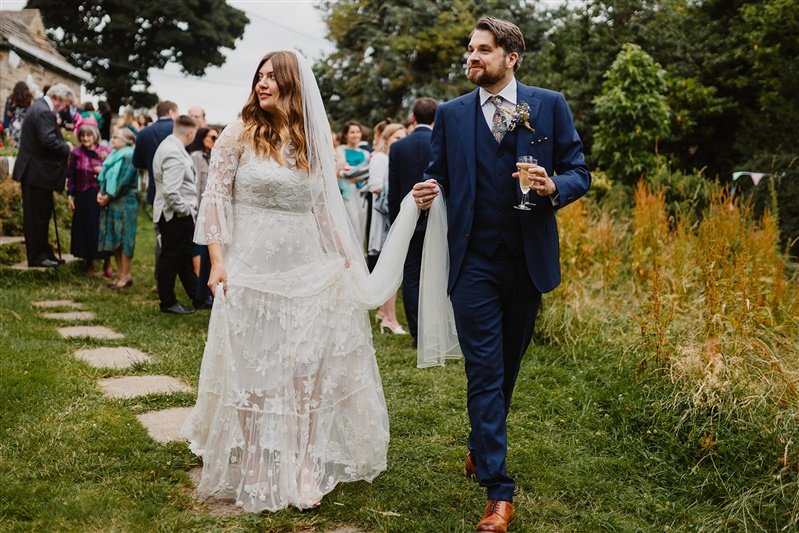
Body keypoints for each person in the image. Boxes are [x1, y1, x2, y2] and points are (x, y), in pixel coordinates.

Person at [181, 49, 417, 513]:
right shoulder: (237, 135)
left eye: (272, 77)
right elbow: (214, 200)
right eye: (259, 76)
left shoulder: (312, 141)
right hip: (249, 267)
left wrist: (343, 260)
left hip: (309, 268)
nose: (262, 83)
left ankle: (306, 462)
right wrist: (216, 260)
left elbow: (323, 210)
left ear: (292, 85)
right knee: (251, 367)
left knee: (308, 371)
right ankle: (251, 460)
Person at [412, 17, 591, 532]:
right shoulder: (450, 114)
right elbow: (438, 173)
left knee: (506, 368)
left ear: (511, 57)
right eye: (470, 49)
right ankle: (498, 490)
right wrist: (429, 191)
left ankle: (479, 445)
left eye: (483, 50)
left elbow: (580, 171)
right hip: (472, 262)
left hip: (527, 260)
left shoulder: (549, 105)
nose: (472, 57)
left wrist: (552, 186)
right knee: (484, 370)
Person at [388, 97, 438, 346]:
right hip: (439, 220)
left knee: (411, 276)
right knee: (440, 273)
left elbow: (393, 189)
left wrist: (394, 223)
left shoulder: (399, 148)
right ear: (435, 119)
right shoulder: (442, 143)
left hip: (408, 220)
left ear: (413, 118)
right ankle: (439, 331)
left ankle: (418, 334)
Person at [12, 83, 75, 267]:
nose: (65, 109)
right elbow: (48, 140)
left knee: (41, 215)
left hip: (36, 173)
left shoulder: (40, 107)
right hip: (36, 174)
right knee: (36, 217)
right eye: (66, 104)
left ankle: (45, 252)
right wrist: (67, 147)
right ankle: (37, 256)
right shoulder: (43, 111)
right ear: (58, 99)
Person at [152, 115, 199, 314]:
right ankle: (168, 301)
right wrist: (185, 211)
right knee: (170, 258)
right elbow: (171, 191)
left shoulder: (168, 145)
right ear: (189, 132)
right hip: (175, 215)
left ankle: (197, 296)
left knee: (183, 257)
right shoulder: (174, 152)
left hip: (174, 214)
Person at [367, 122, 407, 334]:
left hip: (393, 215)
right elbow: (374, 186)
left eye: (403, 138)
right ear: (386, 139)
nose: (401, 143)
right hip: (383, 218)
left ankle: (384, 313)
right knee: (390, 267)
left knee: (392, 265)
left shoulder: (394, 158)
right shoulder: (381, 159)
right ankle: (390, 319)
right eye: (396, 139)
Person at [65, 119, 110, 274]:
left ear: (95, 135)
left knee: (102, 228)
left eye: (88, 135)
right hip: (82, 195)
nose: (85, 138)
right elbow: (70, 176)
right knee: (85, 228)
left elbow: (112, 173)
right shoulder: (76, 153)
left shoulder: (105, 151)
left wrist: (103, 169)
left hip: (100, 195)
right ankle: (88, 261)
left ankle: (107, 262)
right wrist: (70, 196)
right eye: (82, 135)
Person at [97, 128, 139, 288]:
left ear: (127, 141)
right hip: (112, 202)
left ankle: (126, 275)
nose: (112, 139)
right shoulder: (113, 155)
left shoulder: (129, 155)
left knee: (124, 239)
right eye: (113, 136)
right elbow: (106, 176)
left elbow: (124, 181)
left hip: (125, 203)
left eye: (116, 137)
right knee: (114, 239)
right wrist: (101, 193)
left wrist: (108, 196)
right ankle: (120, 274)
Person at [187, 126, 219, 308]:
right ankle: (201, 294)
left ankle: (206, 293)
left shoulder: (214, 157)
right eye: (212, 137)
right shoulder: (196, 158)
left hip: (212, 212)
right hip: (201, 211)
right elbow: (196, 186)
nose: (216, 141)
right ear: (202, 138)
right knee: (199, 250)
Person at [335, 120, 370, 243]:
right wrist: (351, 174)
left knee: (361, 224)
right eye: (352, 132)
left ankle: (361, 256)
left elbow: (368, 173)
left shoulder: (365, 154)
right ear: (346, 135)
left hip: (362, 192)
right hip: (347, 192)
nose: (355, 135)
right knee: (351, 223)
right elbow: (339, 172)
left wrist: (351, 174)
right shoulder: (340, 151)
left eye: (357, 132)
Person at [3, 81, 33, 146]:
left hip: (15, 129)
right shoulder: (28, 102)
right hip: (19, 130)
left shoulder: (12, 100)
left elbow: (7, 117)